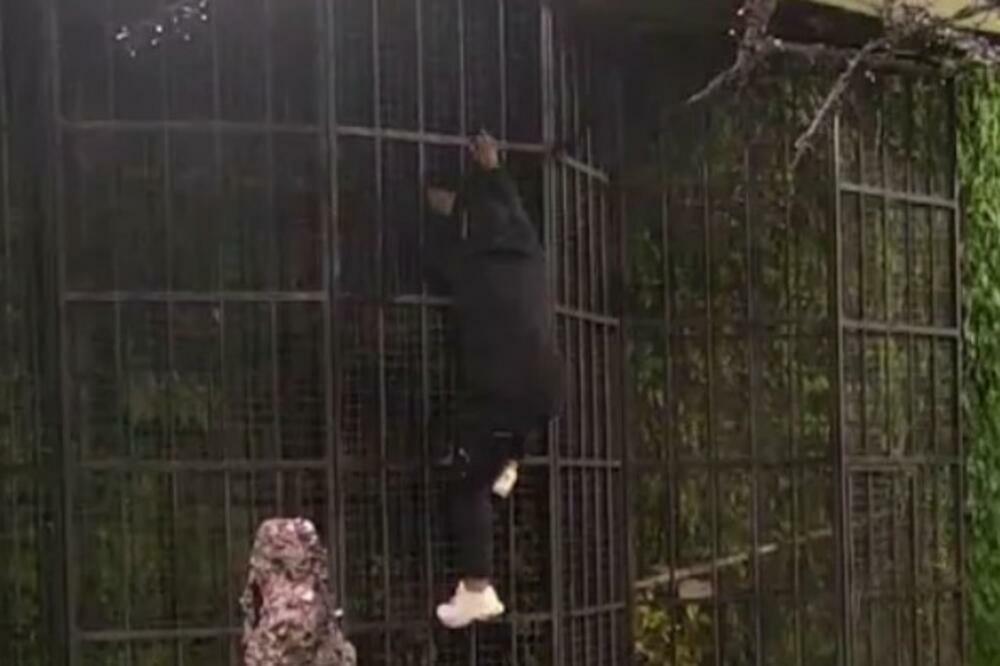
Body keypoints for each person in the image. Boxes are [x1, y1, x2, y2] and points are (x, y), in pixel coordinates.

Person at [423, 132, 564, 629]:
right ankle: (510, 461)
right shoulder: (529, 246)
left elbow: (440, 250)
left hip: (500, 394)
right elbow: (510, 208)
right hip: (546, 387)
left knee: (467, 482)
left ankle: (477, 589)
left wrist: (443, 211)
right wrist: (494, 169)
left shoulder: (469, 265)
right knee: (502, 433)